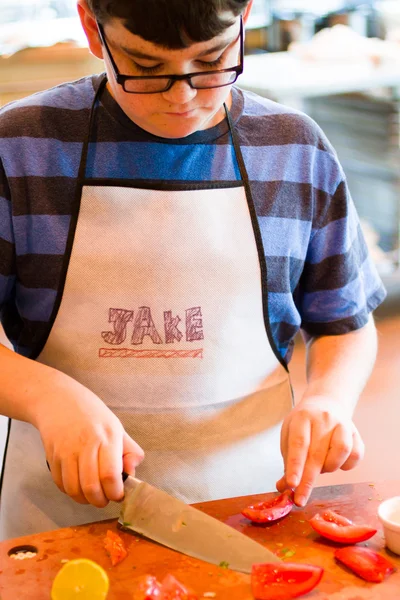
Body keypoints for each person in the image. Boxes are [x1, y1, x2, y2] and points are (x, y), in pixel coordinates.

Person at [0, 0, 386, 540]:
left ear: (245, 17)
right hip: (60, 521)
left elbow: (343, 321)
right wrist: (47, 397)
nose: (182, 97)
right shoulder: (22, 148)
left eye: (212, 61)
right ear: (92, 26)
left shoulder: (294, 150)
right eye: (147, 68)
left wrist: (329, 399)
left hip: (249, 507)